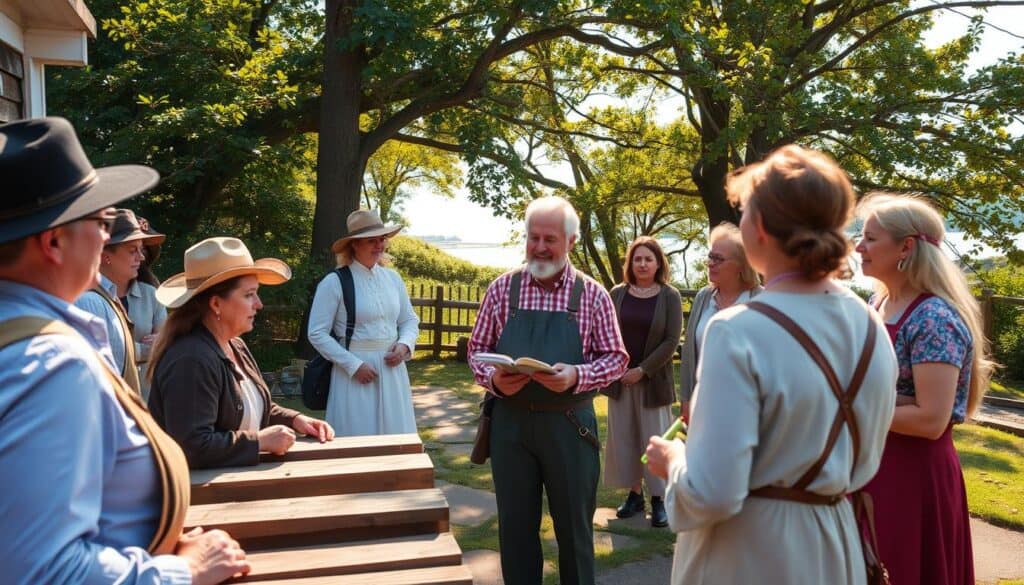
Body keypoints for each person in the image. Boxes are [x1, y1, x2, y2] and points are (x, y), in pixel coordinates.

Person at [0, 116, 249, 583]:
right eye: (100, 221)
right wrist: (181, 569)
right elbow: (42, 571)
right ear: (54, 241)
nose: (106, 236)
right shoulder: (50, 366)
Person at [644, 145, 898, 584]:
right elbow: (867, 458)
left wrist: (674, 461)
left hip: (749, 553)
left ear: (759, 226)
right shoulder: (871, 325)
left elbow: (712, 494)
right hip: (834, 544)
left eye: (743, 212)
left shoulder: (735, 331)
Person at [468, 196, 629, 585]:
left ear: (571, 241)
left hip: (570, 426)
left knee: (575, 533)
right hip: (510, 426)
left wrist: (576, 375)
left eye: (550, 239)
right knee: (516, 530)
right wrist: (493, 379)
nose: (540, 247)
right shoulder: (502, 289)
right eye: (533, 237)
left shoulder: (593, 295)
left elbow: (616, 359)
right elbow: (475, 351)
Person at [855, 192, 992, 585]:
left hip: (913, 479)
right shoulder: (876, 302)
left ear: (906, 247)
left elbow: (931, 419)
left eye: (869, 238)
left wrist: (850, 408)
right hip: (871, 466)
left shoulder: (933, 317)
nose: (858, 247)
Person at [148, 237, 335, 469]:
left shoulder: (234, 345)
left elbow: (249, 405)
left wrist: (295, 419)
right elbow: (192, 446)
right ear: (216, 304)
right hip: (200, 500)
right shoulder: (191, 359)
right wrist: (259, 441)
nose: (259, 304)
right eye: (249, 294)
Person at [307, 209, 420, 437]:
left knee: (396, 439)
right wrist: (353, 365)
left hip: (393, 371)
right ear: (354, 245)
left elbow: (409, 320)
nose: (379, 246)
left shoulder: (393, 279)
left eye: (382, 240)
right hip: (355, 373)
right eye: (372, 241)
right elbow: (316, 333)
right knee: (358, 437)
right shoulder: (335, 282)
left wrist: (404, 346)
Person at [601, 236, 681, 528]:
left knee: (656, 440)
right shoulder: (617, 294)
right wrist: (620, 368)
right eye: (638, 259)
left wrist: (642, 370)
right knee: (624, 438)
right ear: (630, 264)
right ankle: (634, 496)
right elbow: (605, 333)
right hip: (620, 380)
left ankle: (660, 500)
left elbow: (672, 341)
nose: (643, 264)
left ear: (658, 263)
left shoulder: (669, 296)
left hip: (652, 381)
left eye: (649, 258)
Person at [74, 208, 164, 395]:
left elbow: (167, 344)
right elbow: (113, 359)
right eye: (133, 251)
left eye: (141, 250)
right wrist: (147, 349)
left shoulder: (147, 294)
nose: (141, 257)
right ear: (106, 256)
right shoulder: (88, 300)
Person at [678, 222, 762, 418]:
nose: (710, 263)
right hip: (704, 403)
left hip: (748, 407)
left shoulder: (761, 300)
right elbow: (689, 354)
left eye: (719, 259)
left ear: (741, 266)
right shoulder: (703, 297)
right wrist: (686, 399)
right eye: (710, 256)